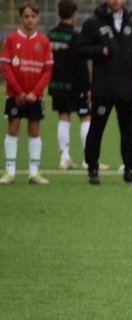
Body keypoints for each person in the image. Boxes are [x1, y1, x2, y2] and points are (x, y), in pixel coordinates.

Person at [79, 0, 132, 185]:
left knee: (127, 131)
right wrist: (99, 51)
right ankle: (92, 169)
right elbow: (80, 49)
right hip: (103, 88)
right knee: (97, 129)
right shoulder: (93, 23)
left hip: (126, 88)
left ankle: (130, 171)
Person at [2, 1, 52, 186]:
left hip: (35, 96)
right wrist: (18, 91)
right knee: (13, 128)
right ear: (20, 18)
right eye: (26, 16)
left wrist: (35, 92)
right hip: (15, 95)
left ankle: (34, 172)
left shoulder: (44, 42)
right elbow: (6, 66)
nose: (30, 20)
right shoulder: (11, 39)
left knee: (34, 129)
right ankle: (10, 171)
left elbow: (47, 70)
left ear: (38, 18)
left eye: (33, 16)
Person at [47, 0, 92, 171]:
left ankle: (64, 158)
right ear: (75, 15)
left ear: (58, 13)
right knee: (86, 117)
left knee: (63, 117)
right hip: (75, 85)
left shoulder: (50, 35)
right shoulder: (76, 37)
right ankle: (88, 159)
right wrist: (87, 87)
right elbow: (81, 65)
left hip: (57, 83)